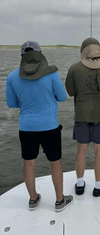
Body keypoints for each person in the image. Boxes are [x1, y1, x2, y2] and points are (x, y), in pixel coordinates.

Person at [6, 41, 73, 212]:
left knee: (28, 163)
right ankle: (59, 201)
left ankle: (33, 199)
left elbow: (11, 103)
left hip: (26, 127)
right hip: (49, 126)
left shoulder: (12, 76)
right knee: (55, 162)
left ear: (22, 56)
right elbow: (62, 97)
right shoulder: (51, 73)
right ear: (40, 55)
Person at [65, 37, 100, 197]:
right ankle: (98, 186)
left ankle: (80, 185)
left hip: (81, 115)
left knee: (81, 150)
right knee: (99, 151)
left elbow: (70, 92)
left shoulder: (74, 68)